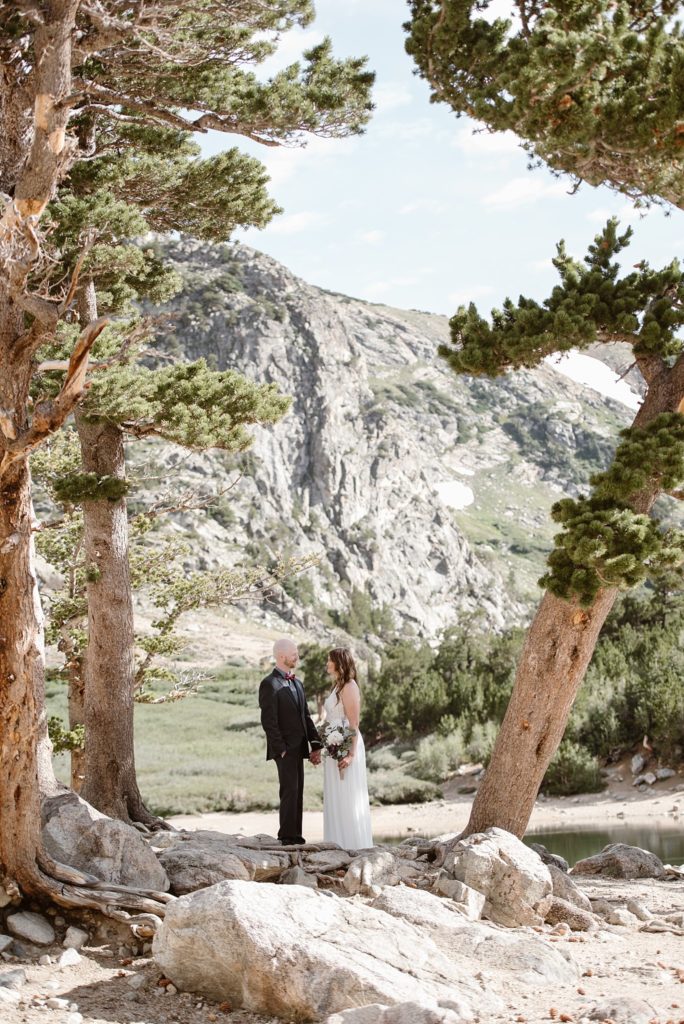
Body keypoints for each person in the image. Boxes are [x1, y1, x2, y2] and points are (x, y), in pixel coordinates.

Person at [259, 637, 322, 846]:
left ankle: (297, 836)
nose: (298, 656)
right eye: (294, 653)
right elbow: (269, 721)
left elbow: (306, 716)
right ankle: (286, 837)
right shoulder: (269, 684)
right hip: (284, 749)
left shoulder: (297, 683)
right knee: (289, 791)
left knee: (298, 791)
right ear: (282, 656)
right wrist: (281, 750)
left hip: (300, 747)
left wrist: (316, 744)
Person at [322, 647, 373, 849]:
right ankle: (336, 843)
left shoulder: (350, 686)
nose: (327, 664)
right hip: (333, 744)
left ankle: (353, 845)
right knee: (336, 794)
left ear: (339, 663)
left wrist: (350, 754)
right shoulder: (337, 686)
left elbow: (353, 723)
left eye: (329, 660)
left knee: (348, 794)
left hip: (346, 743)